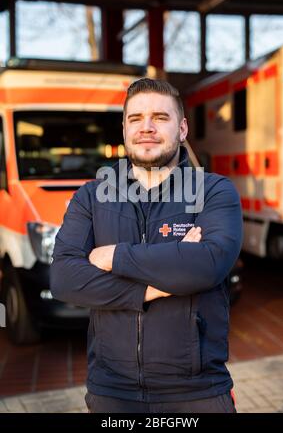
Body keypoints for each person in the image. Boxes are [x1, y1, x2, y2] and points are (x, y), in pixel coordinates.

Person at [50, 78, 243, 413]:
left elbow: (208, 264)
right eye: (136, 119)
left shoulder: (214, 191)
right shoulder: (92, 197)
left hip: (197, 392)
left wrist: (113, 256)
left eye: (161, 117)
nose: (147, 128)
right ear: (124, 129)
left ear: (182, 128)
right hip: (112, 391)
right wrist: (154, 288)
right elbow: (65, 279)